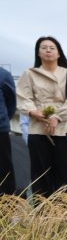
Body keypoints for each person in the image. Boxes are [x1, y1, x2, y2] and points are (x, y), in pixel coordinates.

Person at [15, 37, 67, 197]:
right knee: (40, 173)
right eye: (44, 47)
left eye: (52, 47)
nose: (48, 50)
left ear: (58, 53)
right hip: (38, 127)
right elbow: (22, 97)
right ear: (38, 52)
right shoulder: (29, 74)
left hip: (63, 127)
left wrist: (57, 117)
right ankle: (42, 215)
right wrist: (33, 111)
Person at [0, 67, 16, 196]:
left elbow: (11, 103)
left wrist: (4, 119)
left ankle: (7, 209)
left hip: (0, 130)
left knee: (4, 172)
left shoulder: (3, 75)